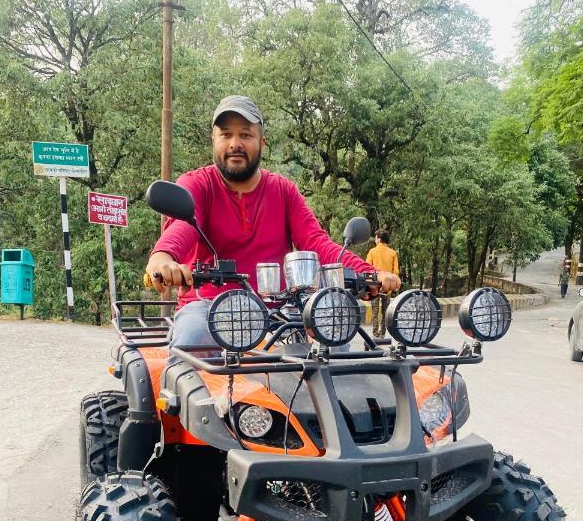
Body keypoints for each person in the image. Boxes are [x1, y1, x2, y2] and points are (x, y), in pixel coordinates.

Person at [145, 95, 401, 349]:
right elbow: (182, 227)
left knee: (335, 340)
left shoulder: (283, 190)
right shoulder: (199, 184)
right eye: (226, 134)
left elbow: (316, 243)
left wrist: (369, 273)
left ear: (262, 142)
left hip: (276, 312)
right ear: (214, 140)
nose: (235, 143)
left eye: (245, 135)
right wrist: (163, 259)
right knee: (190, 342)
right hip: (208, 306)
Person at [365, 230, 399, 338]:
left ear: (379, 239)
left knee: (375, 311)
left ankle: (375, 334)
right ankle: (383, 333)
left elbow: (367, 268)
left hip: (374, 287)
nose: (375, 240)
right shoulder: (393, 253)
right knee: (385, 311)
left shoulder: (372, 252)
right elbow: (396, 272)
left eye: (376, 238)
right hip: (387, 287)